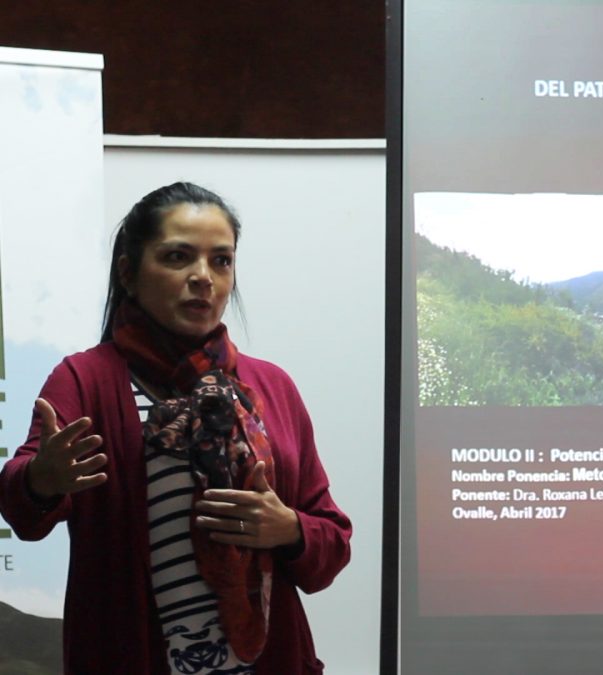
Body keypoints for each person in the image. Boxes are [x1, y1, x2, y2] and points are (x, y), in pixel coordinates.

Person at [0, 182, 351, 674]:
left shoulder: (271, 386)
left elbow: (331, 545)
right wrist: (42, 477)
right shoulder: (85, 379)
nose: (203, 278)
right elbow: (21, 510)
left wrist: (289, 528)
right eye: (178, 257)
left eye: (221, 261)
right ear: (129, 272)